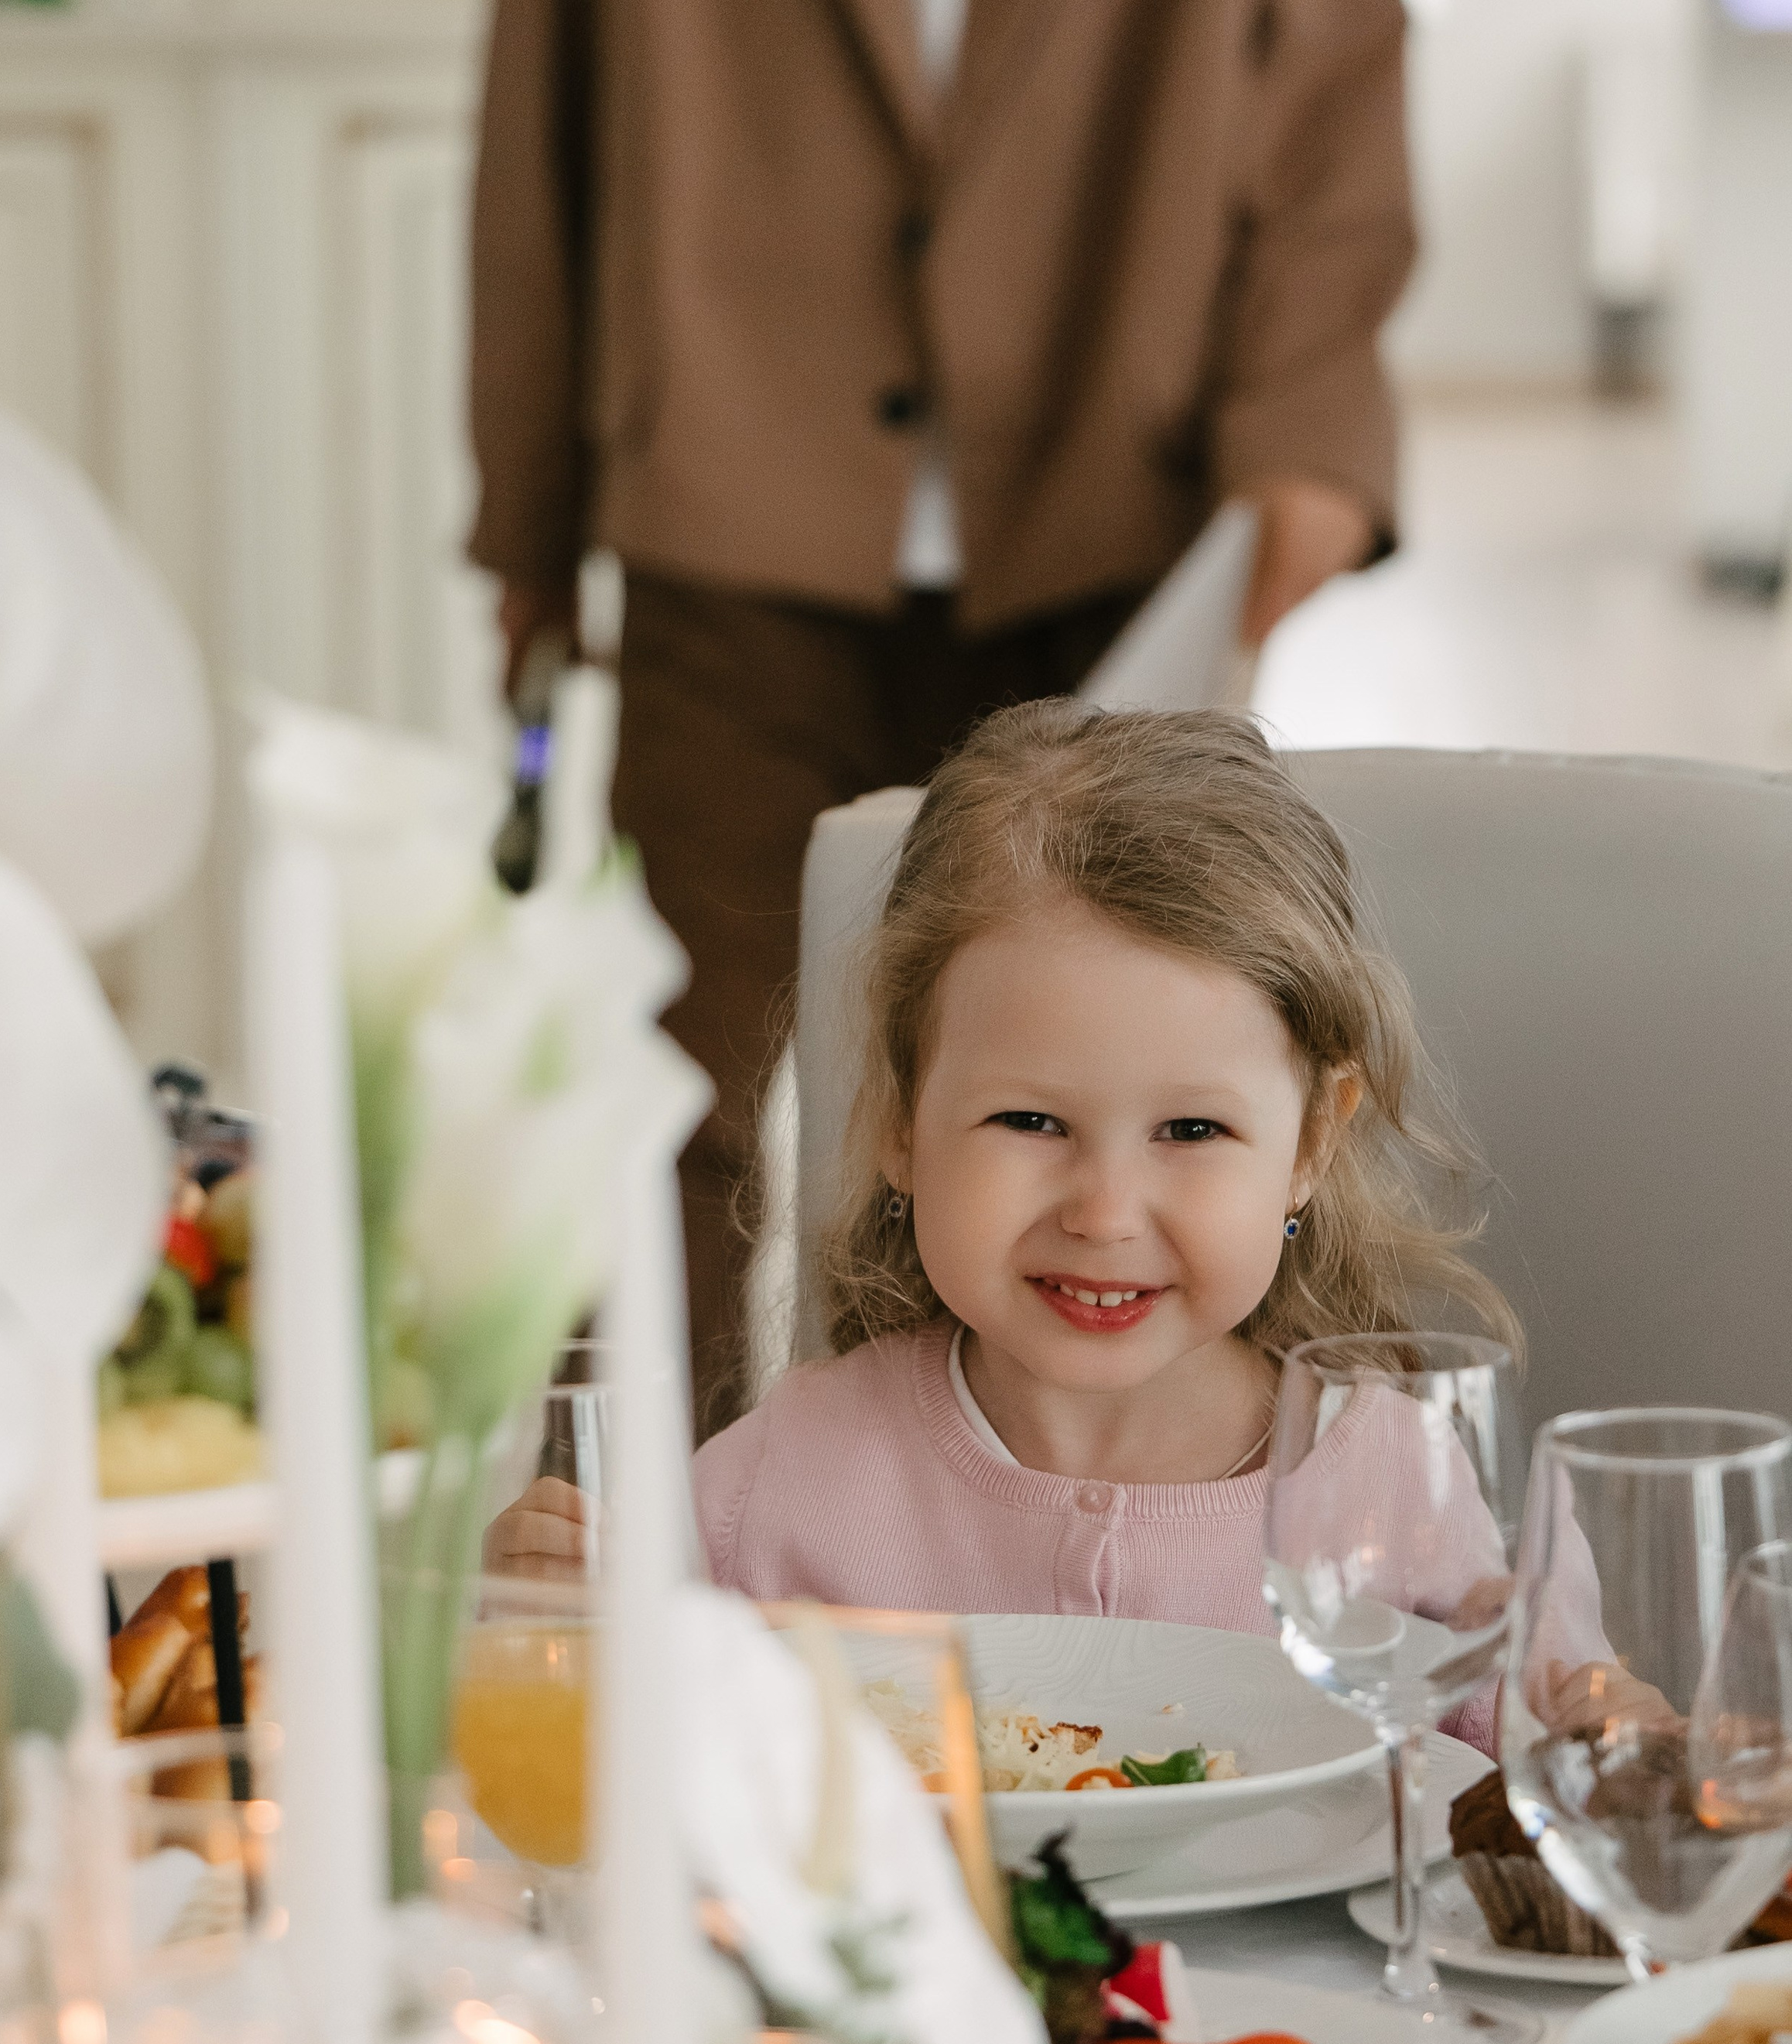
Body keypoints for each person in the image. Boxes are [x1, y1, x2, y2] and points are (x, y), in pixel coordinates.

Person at [470, 0, 1417, 1432]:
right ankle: (641, 1519)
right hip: (726, 513)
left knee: (1109, 1089)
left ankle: (1072, 1530)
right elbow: (538, 152)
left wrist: (1311, 432)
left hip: (1116, 497)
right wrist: (530, 517)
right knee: (678, 1092)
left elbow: (1332, 114)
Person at [494, 704, 1520, 1713]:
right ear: (899, 1121)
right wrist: (556, 1626)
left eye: (1193, 1133)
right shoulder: (780, 1482)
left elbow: (1559, 1759)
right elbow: (617, 1761)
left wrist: (1583, 1715)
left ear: (1309, 1146)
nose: (1106, 1213)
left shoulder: (1395, 1488)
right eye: (1031, 1122)